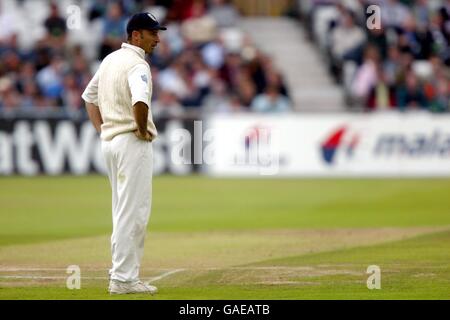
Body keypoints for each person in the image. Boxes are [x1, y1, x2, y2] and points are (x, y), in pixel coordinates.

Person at [81, 12, 166, 295]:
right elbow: (140, 101)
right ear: (136, 35)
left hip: (111, 143)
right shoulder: (137, 64)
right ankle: (123, 279)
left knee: (122, 212)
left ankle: (122, 275)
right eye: (152, 33)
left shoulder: (110, 60)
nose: (157, 38)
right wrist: (141, 129)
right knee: (134, 213)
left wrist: (103, 130)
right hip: (131, 143)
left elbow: (89, 98)